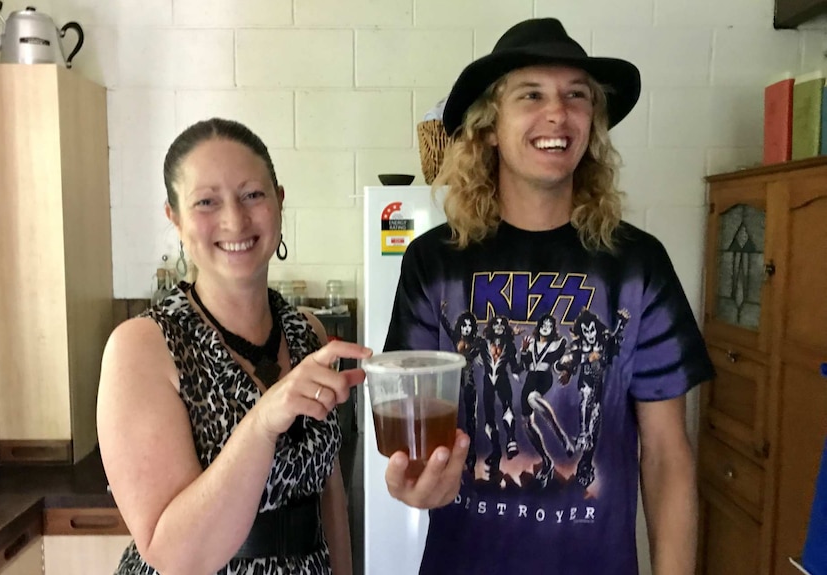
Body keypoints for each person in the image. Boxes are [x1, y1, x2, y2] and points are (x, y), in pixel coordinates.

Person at [382, 18, 715, 575]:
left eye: (576, 96)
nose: (557, 113)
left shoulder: (637, 265)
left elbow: (666, 455)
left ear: (592, 123)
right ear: (490, 127)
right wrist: (414, 483)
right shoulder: (433, 263)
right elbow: (410, 430)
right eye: (531, 95)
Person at [97, 118, 371, 575]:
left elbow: (329, 496)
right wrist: (263, 422)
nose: (235, 220)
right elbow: (175, 557)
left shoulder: (309, 333)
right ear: (176, 219)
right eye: (206, 201)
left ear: (279, 203)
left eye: (252, 195)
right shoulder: (143, 347)